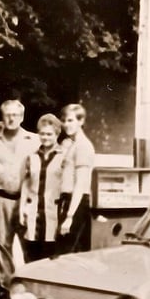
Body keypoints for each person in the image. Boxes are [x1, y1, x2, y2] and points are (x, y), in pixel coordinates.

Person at [0, 99, 39, 283]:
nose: (11, 118)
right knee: (2, 246)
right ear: (2, 117)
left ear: (22, 117)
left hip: (27, 202)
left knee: (30, 245)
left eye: (15, 115)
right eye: (7, 115)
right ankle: (6, 293)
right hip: (1, 199)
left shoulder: (34, 140)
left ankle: (33, 290)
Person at [19, 113, 65, 262]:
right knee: (31, 258)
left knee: (51, 259)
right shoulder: (31, 157)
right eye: (42, 134)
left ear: (57, 134)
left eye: (49, 134)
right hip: (33, 215)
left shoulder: (63, 156)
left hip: (53, 214)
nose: (45, 137)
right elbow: (26, 183)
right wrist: (21, 210)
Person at [56, 103, 95, 254]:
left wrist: (70, 216)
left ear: (81, 121)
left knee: (67, 253)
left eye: (71, 120)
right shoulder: (71, 144)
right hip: (67, 201)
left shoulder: (83, 146)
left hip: (76, 204)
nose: (66, 124)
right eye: (64, 120)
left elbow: (80, 184)